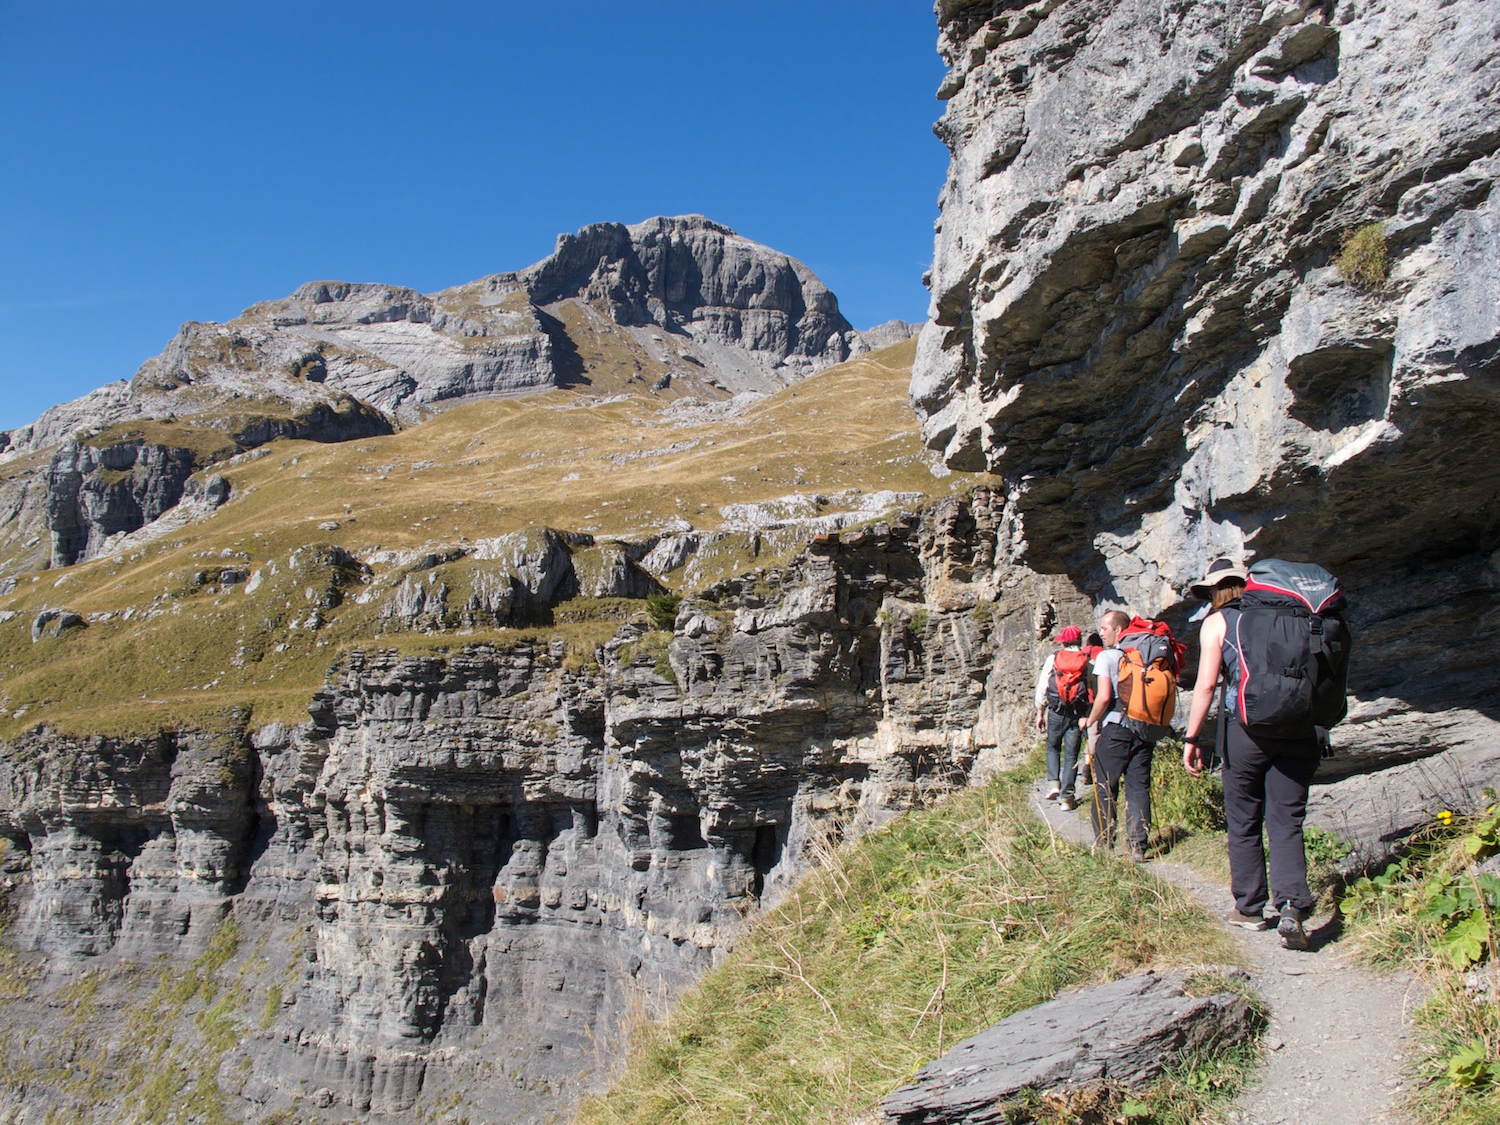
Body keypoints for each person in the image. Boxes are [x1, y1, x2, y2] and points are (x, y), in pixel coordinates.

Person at [1181, 558, 1319, 950]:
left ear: (1213, 591)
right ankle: (1292, 904)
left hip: (1246, 730)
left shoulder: (1219, 622)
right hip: (1297, 727)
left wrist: (1192, 739)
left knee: (1244, 818)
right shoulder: (1293, 613)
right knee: (1287, 818)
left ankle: (1250, 908)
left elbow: (1206, 686)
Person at [1076, 609, 1153, 860]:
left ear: (1119, 630)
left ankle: (1104, 844)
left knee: (1104, 786)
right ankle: (1138, 846)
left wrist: (1091, 720)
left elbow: (1105, 696)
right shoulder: (1143, 654)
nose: (1101, 633)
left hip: (1117, 727)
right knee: (1138, 787)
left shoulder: (1108, 657)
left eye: (1105, 628)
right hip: (1143, 728)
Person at [1034, 625, 1089, 810]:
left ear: (1064, 641)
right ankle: (1067, 798)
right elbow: (1093, 689)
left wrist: (1040, 712)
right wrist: (1088, 715)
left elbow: (1043, 686)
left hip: (1056, 711)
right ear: (1079, 640)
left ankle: (1053, 784)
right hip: (1077, 713)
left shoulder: (1054, 658)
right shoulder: (1086, 661)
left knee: (1053, 747)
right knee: (1072, 755)